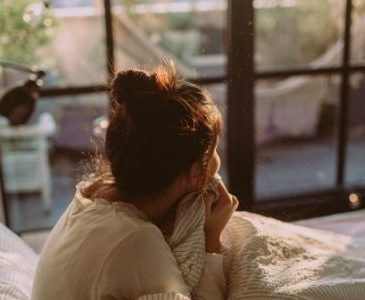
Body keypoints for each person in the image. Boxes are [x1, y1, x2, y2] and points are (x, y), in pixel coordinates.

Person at [31, 64, 238, 300]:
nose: (217, 159)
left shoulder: (91, 193)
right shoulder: (137, 242)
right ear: (194, 171)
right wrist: (212, 237)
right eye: (213, 150)